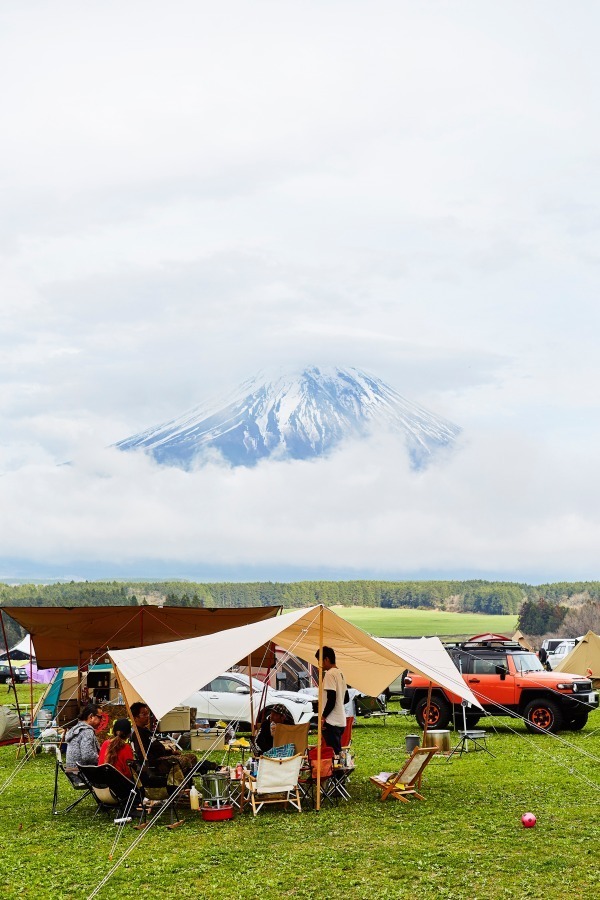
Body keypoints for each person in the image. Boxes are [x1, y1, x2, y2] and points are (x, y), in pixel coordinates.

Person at [129, 701, 200, 777]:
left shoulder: (146, 731)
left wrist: (170, 753)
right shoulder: (138, 734)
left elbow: (157, 748)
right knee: (185, 760)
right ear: (135, 717)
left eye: (148, 713)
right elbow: (144, 756)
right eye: (144, 714)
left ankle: (187, 782)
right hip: (156, 764)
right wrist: (163, 756)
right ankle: (179, 784)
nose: (147, 716)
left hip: (162, 758)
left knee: (192, 757)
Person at [315, 646, 349, 755]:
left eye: (319, 661)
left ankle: (340, 771)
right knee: (336, 750)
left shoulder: (330, 674)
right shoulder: (340, 673)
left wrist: (323, 717)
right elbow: (346, 697)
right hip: (340, 719)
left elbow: (331, 699)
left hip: (331, 721)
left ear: (326, 659)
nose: (319, 664)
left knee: (334, 753)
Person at [65, 703, 102, 771]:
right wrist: (102, 759)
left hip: (72, 771)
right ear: (91, 717)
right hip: (81, 773)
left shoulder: (76, 728)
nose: (101, 721)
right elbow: (87, 756)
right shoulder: (87, 731)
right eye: (100, 717)